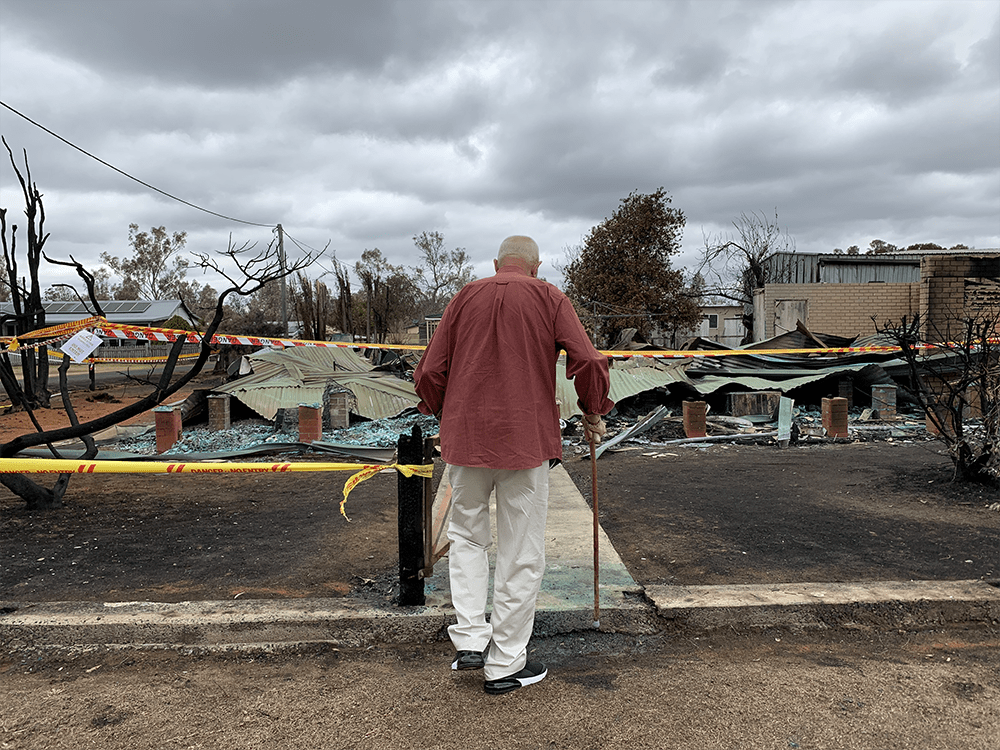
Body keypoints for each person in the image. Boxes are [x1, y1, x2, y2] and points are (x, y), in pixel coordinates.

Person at [414, 235, 613, 695]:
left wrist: (442, 407)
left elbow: (429, 371)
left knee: (465, 537)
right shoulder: (549, 296)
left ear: (496, 263)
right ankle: (503, 664)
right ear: (537, 266)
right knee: (520, 552)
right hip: (525, 441)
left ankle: (469, 640)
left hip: (465, 441)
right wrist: (593, 408)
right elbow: (586, 358)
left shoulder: (465, 296)